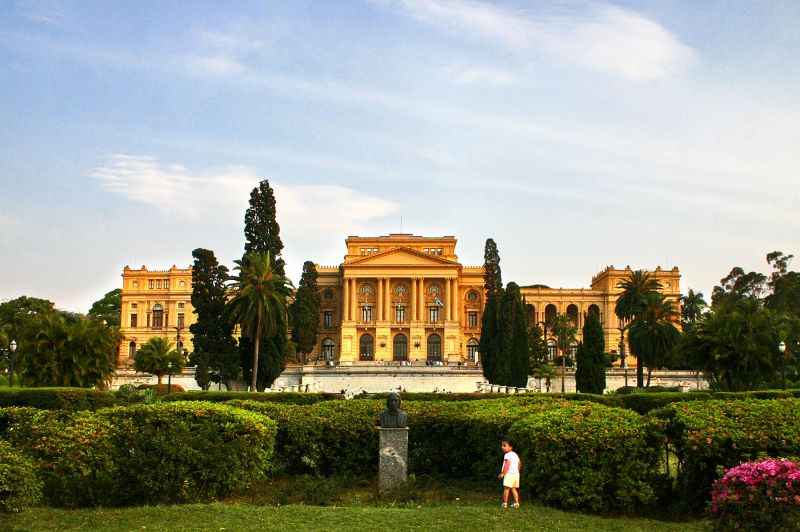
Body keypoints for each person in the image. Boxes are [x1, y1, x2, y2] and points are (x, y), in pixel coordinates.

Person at [497, 437, 522, 509]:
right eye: (502, 445)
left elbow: (507, 464)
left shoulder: (507, 455)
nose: (502, 447)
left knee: (506, 488)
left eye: (504, 445)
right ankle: (517, 503)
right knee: (513, 488)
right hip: (516, 474)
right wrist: (518, 471)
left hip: (509, 474)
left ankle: (504, 503)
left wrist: (503, 473)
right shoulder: (515, 454)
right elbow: (519, 463)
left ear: (510, 447)